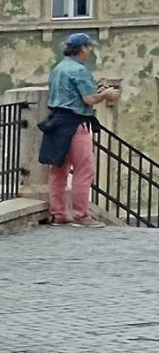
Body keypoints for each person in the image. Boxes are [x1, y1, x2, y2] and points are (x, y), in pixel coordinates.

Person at [42, 31, 117, 225]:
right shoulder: (79, 70)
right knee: (84, 169)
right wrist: (106, 94)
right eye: (89, 47)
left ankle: (58, 214)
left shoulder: (58, 68)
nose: (90, 51)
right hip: (75, 124)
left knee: (58, 170)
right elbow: (89, 99)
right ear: (82, 49)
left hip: (56, 122)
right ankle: (81, 215)